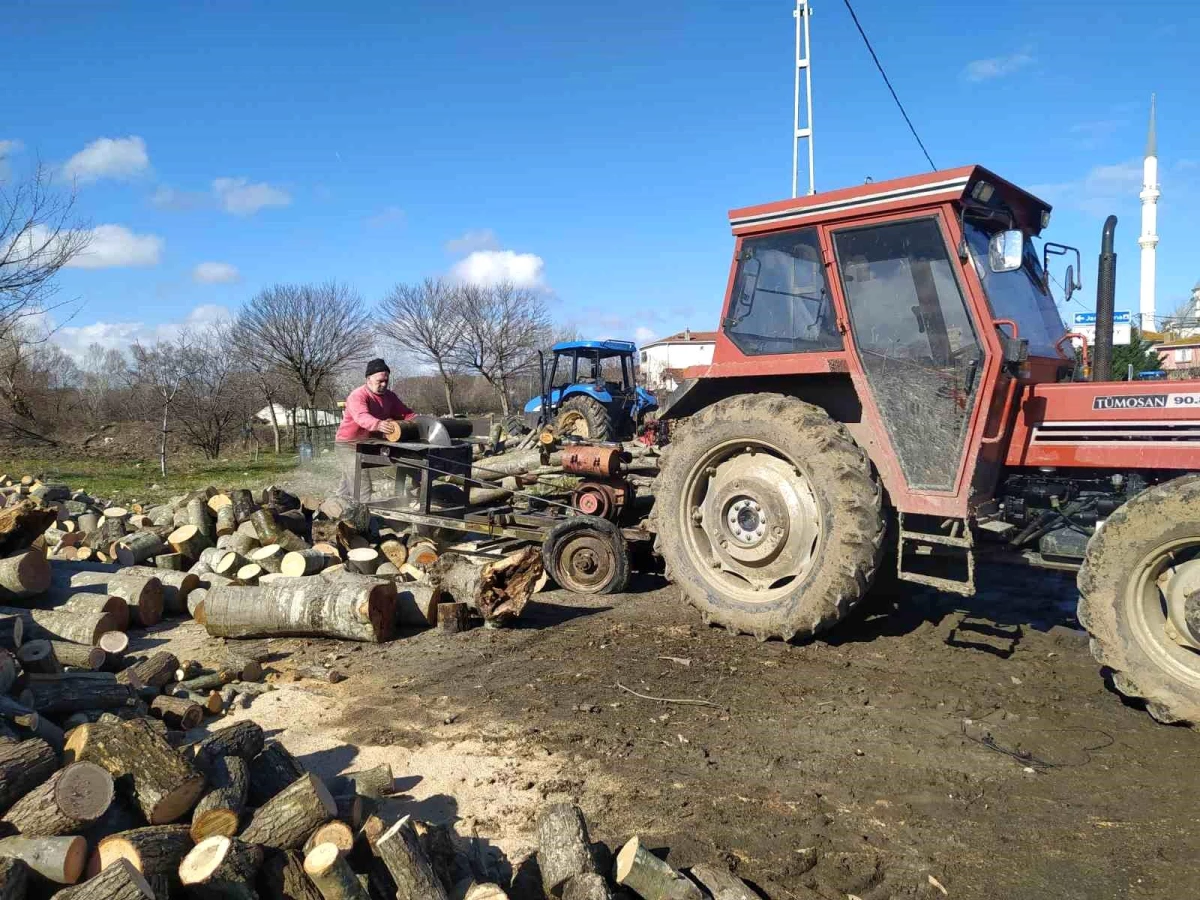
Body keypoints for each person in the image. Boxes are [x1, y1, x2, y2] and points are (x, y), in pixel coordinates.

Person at [334, 358, 415, 500]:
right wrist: (378, 424)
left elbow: (406, 414)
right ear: (368, 379)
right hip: (348, 445)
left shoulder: (390, 396)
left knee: (349, 482)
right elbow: (361, 416)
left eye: (386, 381)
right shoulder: (358, 395)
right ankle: (367, 517)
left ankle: (335, 507)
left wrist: (421, 421)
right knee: (361, 486)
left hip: (370, 443)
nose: (384, 384)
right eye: (380, 381)